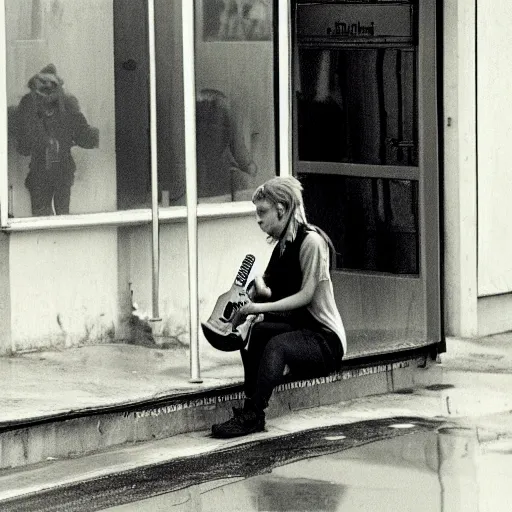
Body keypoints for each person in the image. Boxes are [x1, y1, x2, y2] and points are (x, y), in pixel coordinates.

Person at [211, 176, 347, 438]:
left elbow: (305, 297)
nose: (258, 220)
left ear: (282, 209)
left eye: (263, 212)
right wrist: (254, 298)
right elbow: (272, 292)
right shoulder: (282, 246)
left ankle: (253, 414)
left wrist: (256, 309)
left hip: (325, 340)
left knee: (277, 345)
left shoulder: (312, 243)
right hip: (299, 328)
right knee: (256, 333)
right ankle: (252, 412)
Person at [15, 64, 99, 216]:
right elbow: (23, 145)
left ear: (58, 86)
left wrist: (97, 135)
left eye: (52, 85)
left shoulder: (67, 104)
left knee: (62, 217)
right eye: (43, 84)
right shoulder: (29, 104)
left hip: (62, 171)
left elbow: (83, 134)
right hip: (39, 171)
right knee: (41, 218)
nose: (47, 89)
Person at [196, 89, 257, 200]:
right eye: (204, 122)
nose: (210, 131)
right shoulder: (182, 178)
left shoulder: (240, 182)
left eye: (219, 124)